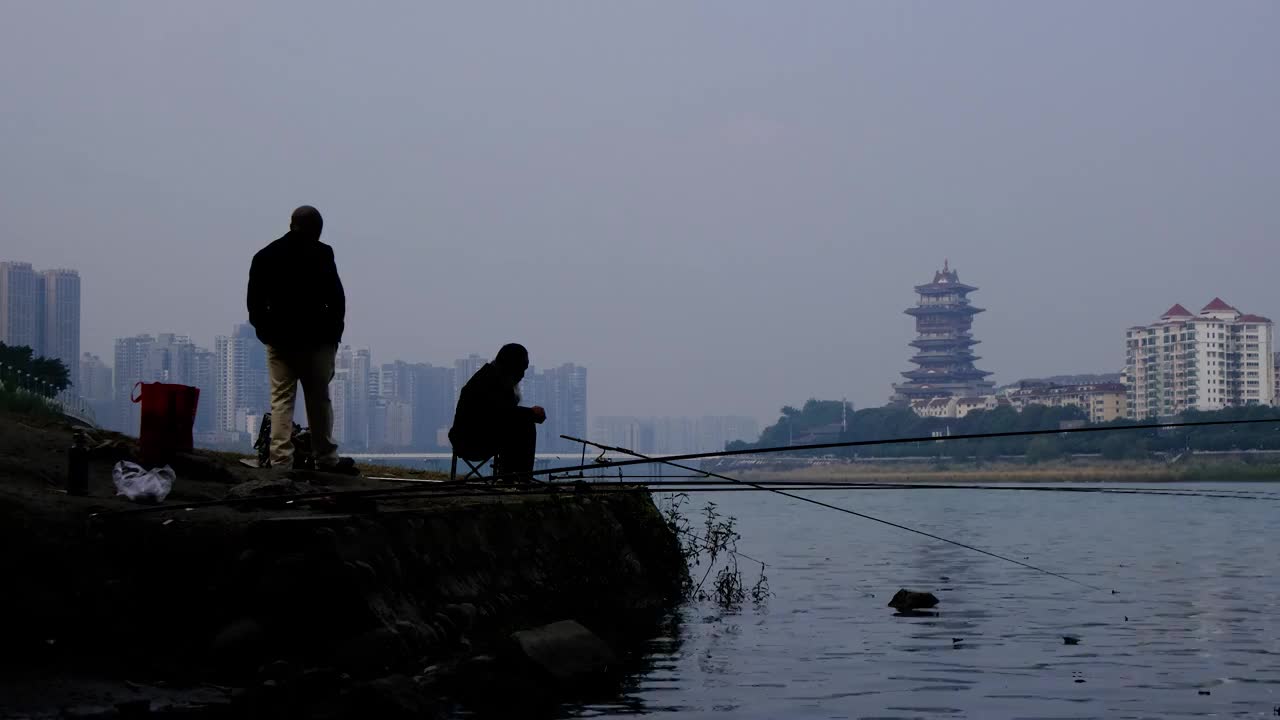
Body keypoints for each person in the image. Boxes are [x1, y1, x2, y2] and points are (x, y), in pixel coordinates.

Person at [246, 205, 356, 474]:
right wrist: (334, 335)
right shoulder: (321, 254)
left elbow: (255, 304)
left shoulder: (266, 256)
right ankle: (326, 458)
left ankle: (281, 461)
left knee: (282, 400)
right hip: (317, 341)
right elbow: (336, 299)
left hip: (280, 341)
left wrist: (266, 334)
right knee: (319, 400)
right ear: (317, 229)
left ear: (291, 223)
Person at [449, 343, 546, 481]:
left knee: (522, 423)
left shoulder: (493, 377)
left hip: (476, 436)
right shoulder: (489, 381)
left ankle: (514, 477)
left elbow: (502, 414)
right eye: (521, 369)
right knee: (525, 425)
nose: (522, 375)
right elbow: (501, 414)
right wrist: (531, 413)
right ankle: (517, 478)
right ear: (511, 366)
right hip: (471, 441)